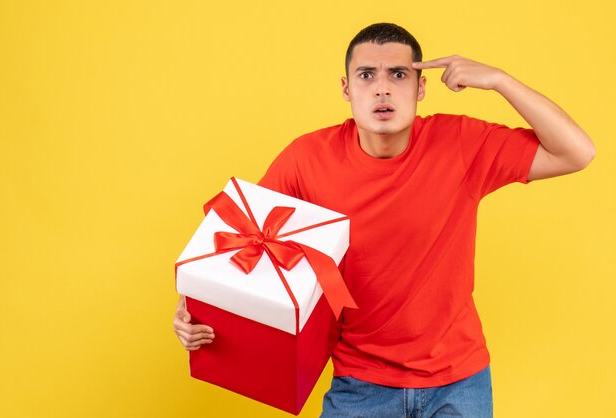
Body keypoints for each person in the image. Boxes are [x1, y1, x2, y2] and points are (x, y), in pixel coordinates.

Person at [173, 23, 595, 417]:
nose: (381, 90)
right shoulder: (306, 159)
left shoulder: (461, 143)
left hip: (458, 381)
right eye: (366, 76)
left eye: (397, 75)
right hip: (360, 382)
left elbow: (577, 152)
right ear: (346, 88)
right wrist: (194, 308)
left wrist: (500, 80)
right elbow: (240, 239)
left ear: (421, 87)